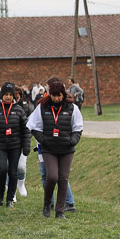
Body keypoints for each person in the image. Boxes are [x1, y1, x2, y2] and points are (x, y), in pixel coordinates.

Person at [28, 80, 83, 219]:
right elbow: (34, 126)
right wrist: (43, 140)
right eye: (54, 95)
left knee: (63, 178)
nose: (56, 98)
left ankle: (60, 211)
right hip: (49, 148)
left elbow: (78, 127)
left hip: (66, 148)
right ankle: (47, 204)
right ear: (50, 94)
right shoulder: (42, 107)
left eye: (59, 95)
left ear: (63, 95)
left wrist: (72, 141)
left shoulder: (72, 107)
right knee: (52, 176)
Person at [0, 82, 31, 208]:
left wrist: (26, 146)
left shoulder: (19, 110)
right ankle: (1, 193)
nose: (8, 97)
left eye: (10, 94)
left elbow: (26, 130)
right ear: (2, 95)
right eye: (6, 94)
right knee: (2, 169)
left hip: (15, 146)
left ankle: (10, 198)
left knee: (13, 172)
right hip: (0, 145)